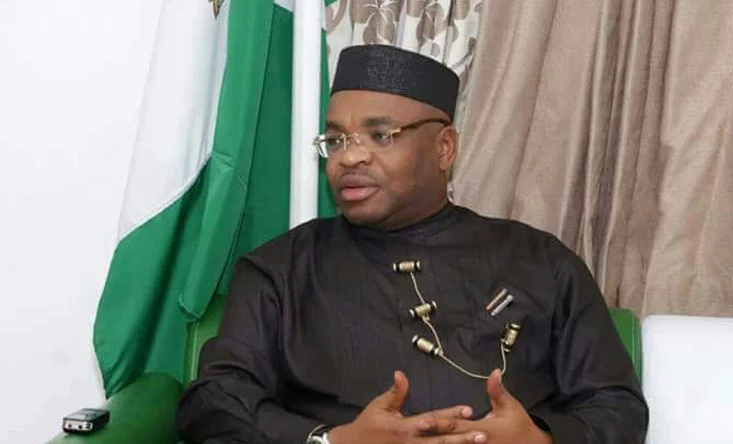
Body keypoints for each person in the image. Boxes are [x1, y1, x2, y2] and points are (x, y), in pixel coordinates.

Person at [176, 44, 648, 444]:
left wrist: (541, 440)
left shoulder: (541, 262)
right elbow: (213, 402)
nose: (350, 157)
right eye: (336, 141)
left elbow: (616, 407)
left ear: (444, 148)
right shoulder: (280, 269)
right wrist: (333, 440)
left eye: (380, 135)